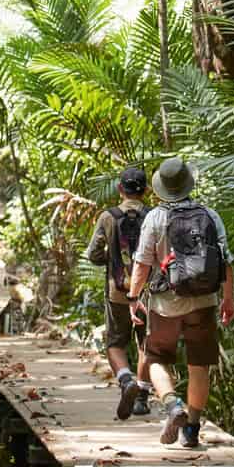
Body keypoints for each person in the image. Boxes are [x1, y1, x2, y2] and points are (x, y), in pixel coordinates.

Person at [126, 157, 234, 447]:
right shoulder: (210, 215)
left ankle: (173, 405)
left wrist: (133, 297)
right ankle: (192, 430)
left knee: (156, 360)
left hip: (165, 303)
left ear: (161, 188)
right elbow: (226, 261)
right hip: (204, 301)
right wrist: (228, 299)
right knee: (199, 366)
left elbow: (142, 263)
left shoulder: (155, 218)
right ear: (188, 184)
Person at [86, 167, 153, 420]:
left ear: (120, 189)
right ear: (145, 190)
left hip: (118, 290)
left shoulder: (108, 217)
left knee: (115, 343)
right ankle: (142, 399)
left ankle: (126, 381)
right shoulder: (153, 216)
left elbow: (93, 254)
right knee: (145, 343)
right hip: (147, 291)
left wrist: (112, 259)